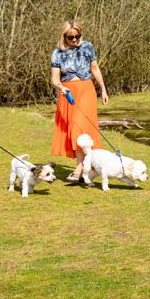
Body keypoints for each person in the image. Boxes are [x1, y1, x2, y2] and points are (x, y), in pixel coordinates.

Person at [50, 21, 109, 182]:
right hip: (68, 92)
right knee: (73, 129)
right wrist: (61, 87)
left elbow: (95, 69)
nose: (74, 40)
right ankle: (87, 166)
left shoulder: (87, 47)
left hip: (86, 91)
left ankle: (79, 168)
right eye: (71, 37)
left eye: (77, 36)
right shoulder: (57, 53)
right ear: (64, 36)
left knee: (80, 127)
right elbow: (55, 79)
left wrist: (103, 89)